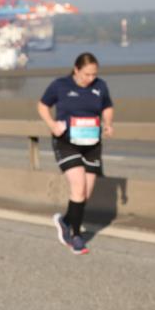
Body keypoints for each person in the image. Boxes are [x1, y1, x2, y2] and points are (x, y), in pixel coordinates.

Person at [37, 52, 114, 255]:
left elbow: (107, 106)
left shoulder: (100, 86)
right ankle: (76, 237)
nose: (90, 79)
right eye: (86, 74)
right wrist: (52, 124)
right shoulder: (60, 85)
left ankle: (64, 221)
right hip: (66, 142)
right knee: (78, 187)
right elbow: (42, 105)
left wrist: (108, 123)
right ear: (76, 69)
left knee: (84, 194)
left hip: (92, 143)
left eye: (94, 75)